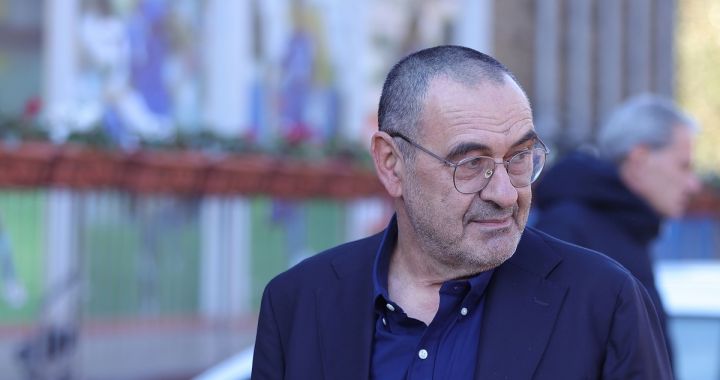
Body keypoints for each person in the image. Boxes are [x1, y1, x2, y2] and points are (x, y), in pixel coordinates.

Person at [252, 46, 672, 379]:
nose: (506, 194)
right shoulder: (298, 304)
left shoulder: (603, 301)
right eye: (471, 163)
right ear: (391, 163)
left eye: (521, 157)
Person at [533, 94, 701, 369]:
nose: (693, 185)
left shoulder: (627, 227)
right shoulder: (567, 230)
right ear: (640, 159)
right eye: (683, 166)